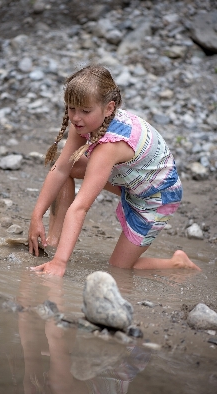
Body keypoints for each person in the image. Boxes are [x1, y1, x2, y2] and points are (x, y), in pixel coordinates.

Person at [28, 64, 201, 276]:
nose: (76, 118)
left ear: (109, 108)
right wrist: (36, 216)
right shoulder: (85, 123)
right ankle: (53, 242)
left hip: (156, 196)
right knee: (69, 164)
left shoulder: (108, 147)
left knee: (119, 268)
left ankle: (177, 263)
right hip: (129, 179)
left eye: (85, 111)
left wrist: (60, 264)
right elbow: (60, 170)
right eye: (71, 108)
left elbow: (80, 207)